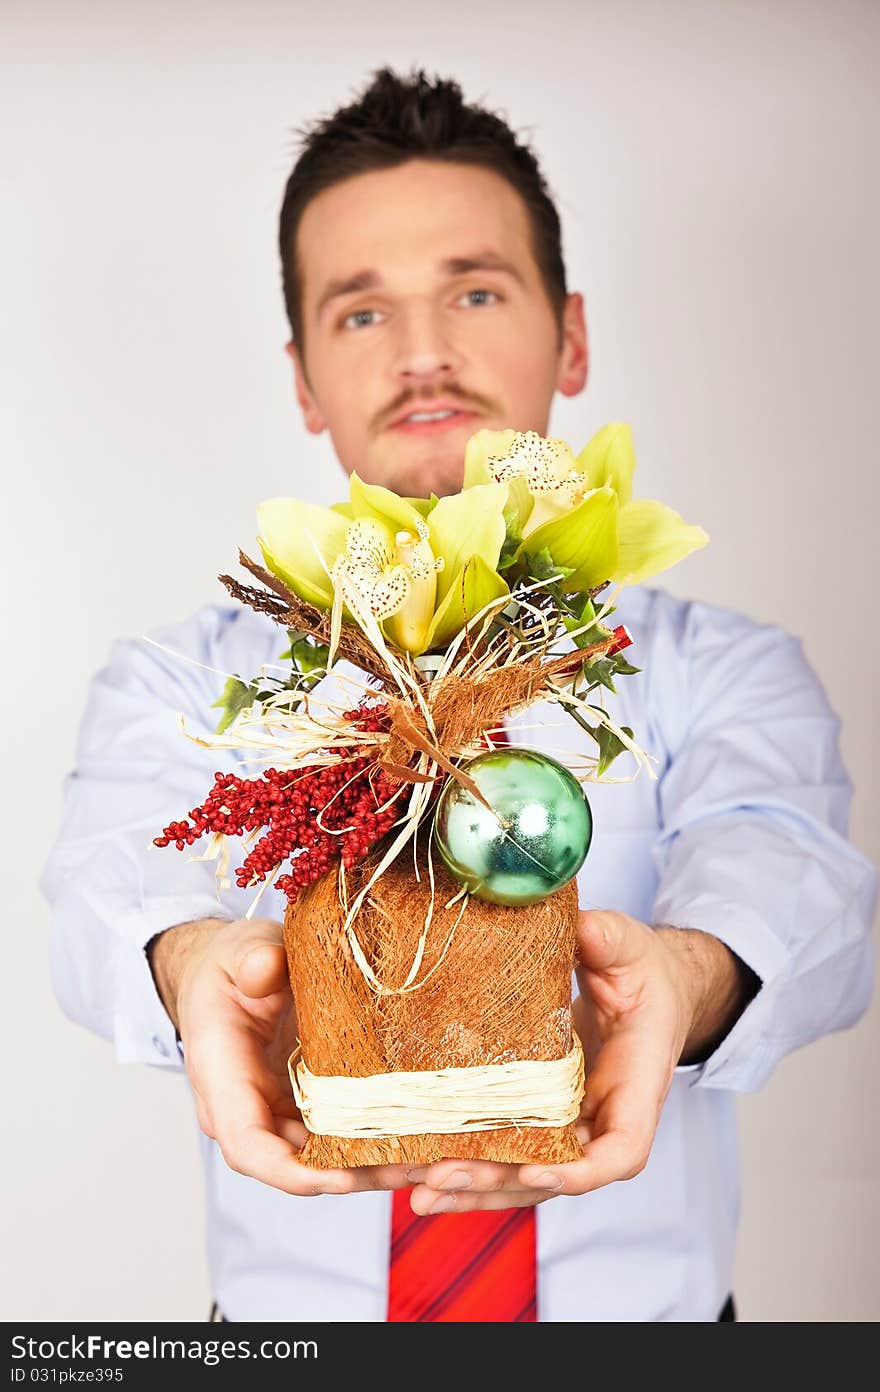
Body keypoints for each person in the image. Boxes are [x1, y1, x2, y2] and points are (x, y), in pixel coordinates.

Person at [41, 65, 877, 1323]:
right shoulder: (184, 679)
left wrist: (687, 975)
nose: (426, 354)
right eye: (361, 312)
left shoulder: (722, 670)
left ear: (572, 332)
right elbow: (104, 880)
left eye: (475, 292)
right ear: (303, 378)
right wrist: (191, 959)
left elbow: (789, 867)